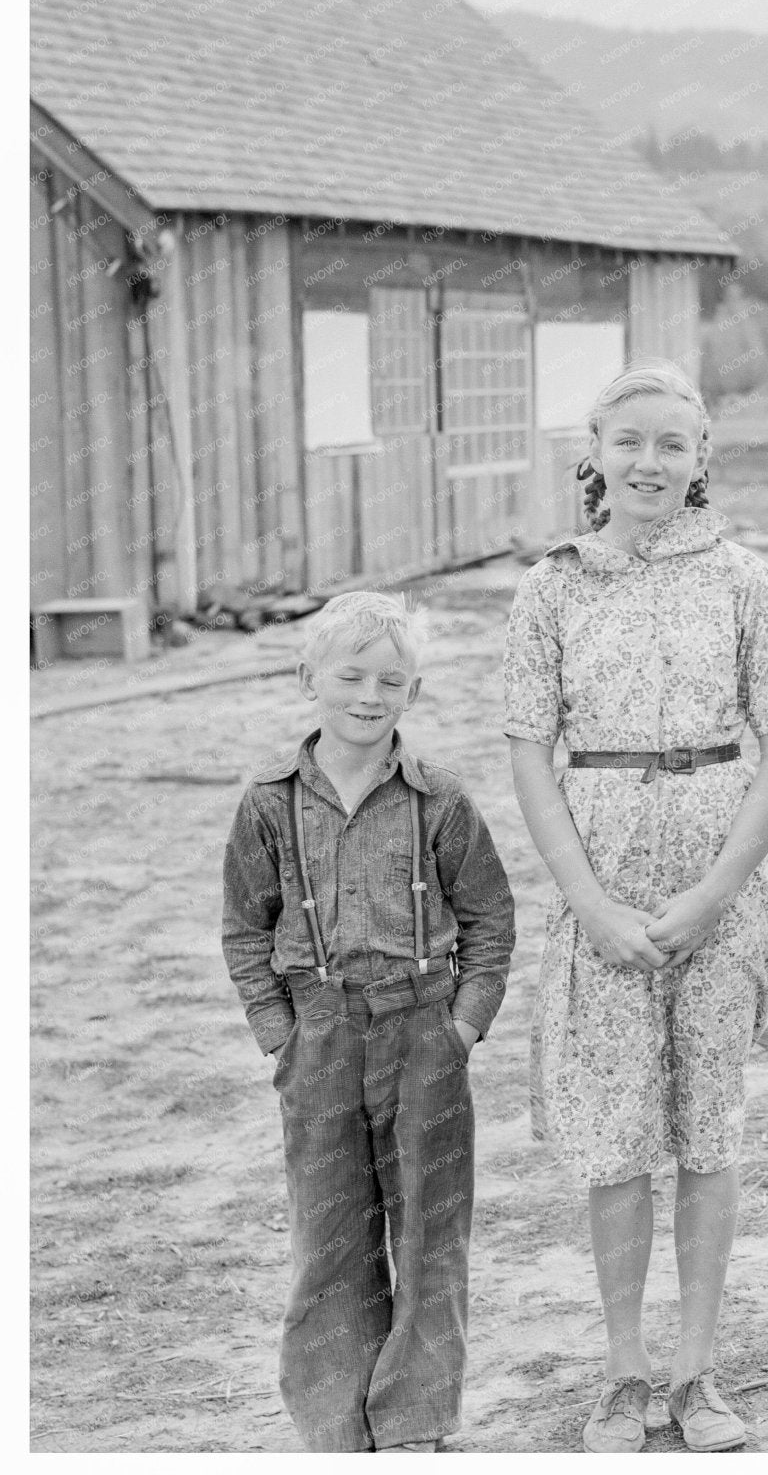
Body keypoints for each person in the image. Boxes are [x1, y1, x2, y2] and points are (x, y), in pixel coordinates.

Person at [502, 360, 768, 1454]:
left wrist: (715, 890)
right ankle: (624, 1372)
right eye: (627, 442)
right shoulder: (552, 589)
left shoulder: (745, 583)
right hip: (603, 902)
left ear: (700, 460)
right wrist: (587, 902)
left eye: (670, 445)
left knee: (707, 1134)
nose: (648, 463)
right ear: (594, 452)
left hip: (714, 897)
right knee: (617, 1141)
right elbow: (530, 755)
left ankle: (697, 1373)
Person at [220, 590, 516, 1452]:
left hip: (423, 1030)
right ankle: (334, 1418)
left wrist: (462, 1026)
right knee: (329, 1230)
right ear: (307, 677)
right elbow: (244, 926)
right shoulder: (269, 804)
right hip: (316, 1036)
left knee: (429, 1228)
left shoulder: (442, 801)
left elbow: (492, 921)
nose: (368, 694)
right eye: (349, 675)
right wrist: (279, 1032)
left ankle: (415, 1415)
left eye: (392, 680)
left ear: (413, 694)